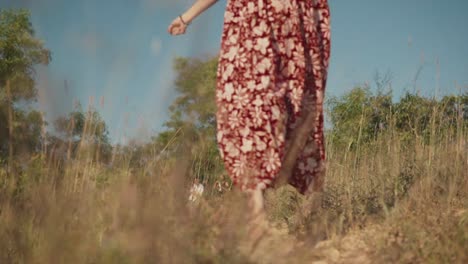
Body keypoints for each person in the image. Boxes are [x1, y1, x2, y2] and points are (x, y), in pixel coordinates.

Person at [168, 0, 330, 219]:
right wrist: (186, 16)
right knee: (254, 103)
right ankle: (257, 212)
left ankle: (313, 210)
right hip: (258, 17)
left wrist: (185, 17)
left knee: (296, 100)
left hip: (291, 15)